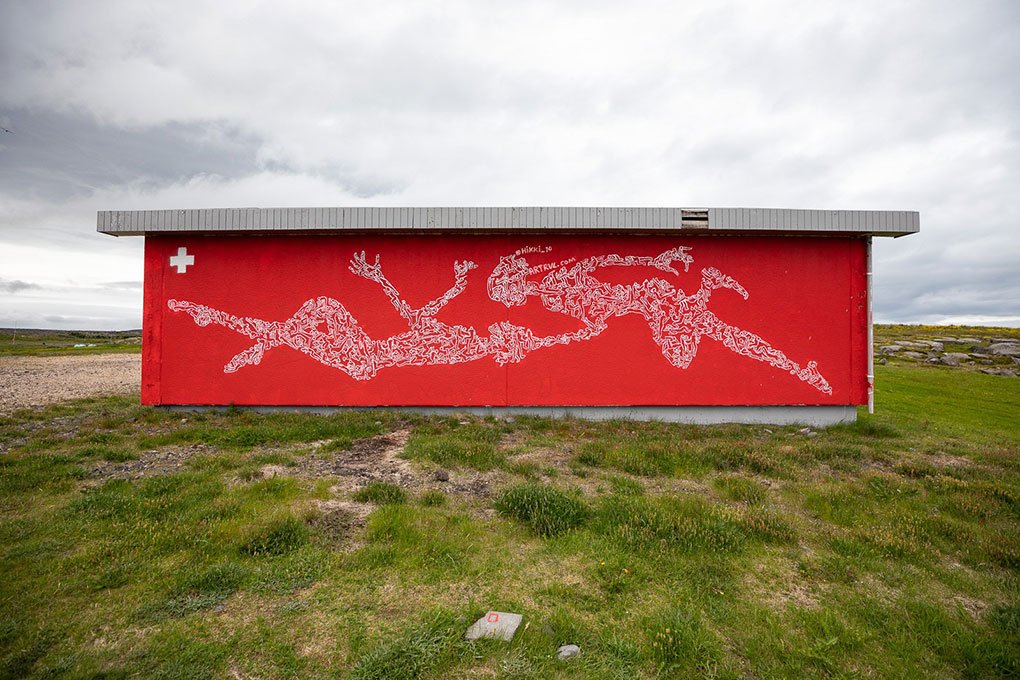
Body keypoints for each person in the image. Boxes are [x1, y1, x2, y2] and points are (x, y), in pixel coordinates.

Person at [485, 245, 832, 394]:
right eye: (506, 298)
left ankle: (800, 370)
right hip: (648, 303)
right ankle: (706, 290)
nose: (510, 302)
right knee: (706, 339)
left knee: (710, 338)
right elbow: (590, 319)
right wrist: (569, 333)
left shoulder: (556, 283)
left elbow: (602, 262)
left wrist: (653, 260)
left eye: (507, 294)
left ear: (514, 284)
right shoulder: (551, 298)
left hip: (651, 298)